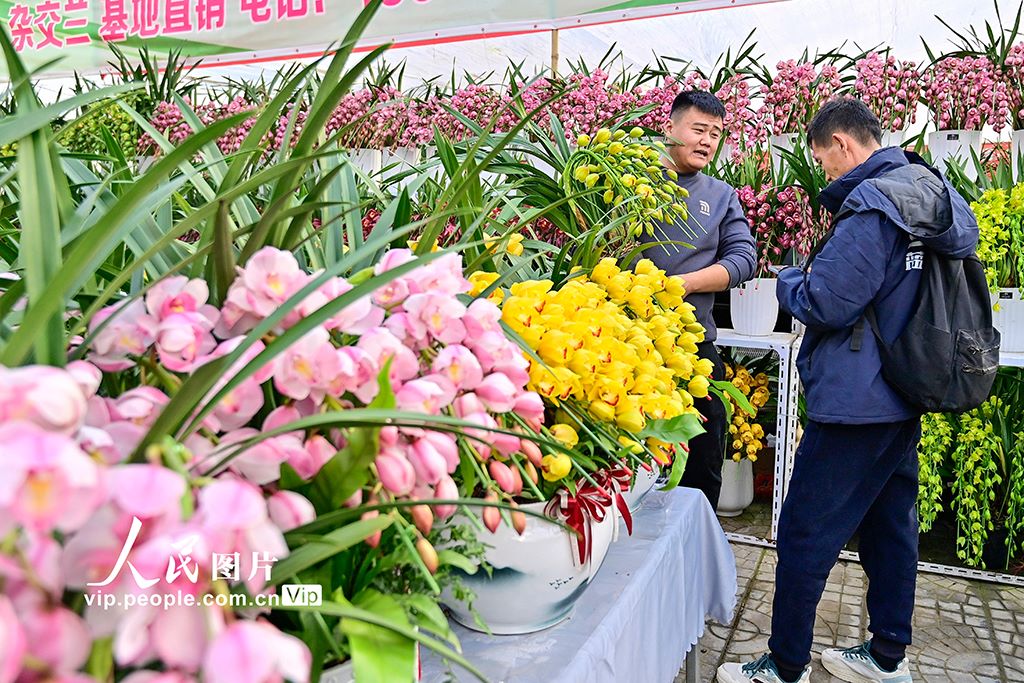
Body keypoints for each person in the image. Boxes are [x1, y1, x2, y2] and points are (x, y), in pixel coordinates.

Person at [717, 100, 979, 683]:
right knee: (891, 530)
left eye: (824, 163)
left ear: (841, 143)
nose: (828, 175)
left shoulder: (873, 206)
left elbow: (827, 302)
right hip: (904, 388)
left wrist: (789, 278)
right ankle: (888, 655)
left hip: (856, 401)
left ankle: (785, 665)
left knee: (805, 532)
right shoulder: (931, 190)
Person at [639, 90, 756, 510]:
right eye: (698, 129)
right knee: (632, 457)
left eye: (716, 133)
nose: (708, 140)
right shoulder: (632, 180)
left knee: (701, 462)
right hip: (629, 344)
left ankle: (695, 554)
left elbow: (744, 260)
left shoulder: (722, 195)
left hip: (693, 348)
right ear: (669, 128)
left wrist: (685, 283)